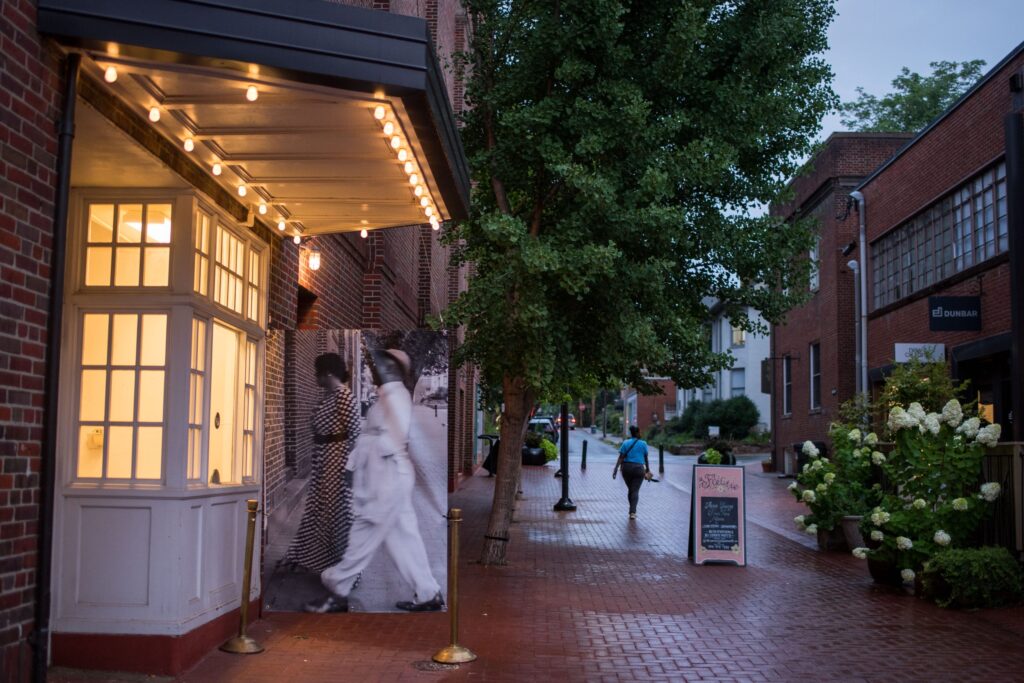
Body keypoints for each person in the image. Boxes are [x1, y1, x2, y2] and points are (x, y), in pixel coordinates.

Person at [305, 347, 444, 613]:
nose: (373, 369)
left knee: (364, 532)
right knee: (404, 538)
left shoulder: (398, 397)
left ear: (392, 369)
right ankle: (429, 593)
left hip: (388, 476)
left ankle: (337, 590)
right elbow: (369, 436)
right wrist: (352, 464)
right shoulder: (383, 399)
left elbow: (392, 439)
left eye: (379, 365)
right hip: (384, 474)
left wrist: (362, 459)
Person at [282, 353, 361, 573]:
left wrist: (349, 469)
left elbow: (356, 434)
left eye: (317, 373)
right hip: (323, 465)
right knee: (318, 514)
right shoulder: (328, 396)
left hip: (337, 466)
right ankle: (304, 558)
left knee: (338, 517)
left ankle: (347, 568)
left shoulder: (344, 396)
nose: (315, 377)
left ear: (327, 373)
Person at [613, 425, 651, 520]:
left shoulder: (626, 443)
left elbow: (621, 457)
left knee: (631, 490)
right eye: (640, 432)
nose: (641, 433)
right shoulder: (643, 444)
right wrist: (648, 470)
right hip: (638, 469)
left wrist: (615, 469)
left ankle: (631, 510)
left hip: (626, 468)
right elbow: (646, 458)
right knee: (635, 490)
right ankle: (632, 512)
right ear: (637, 433)